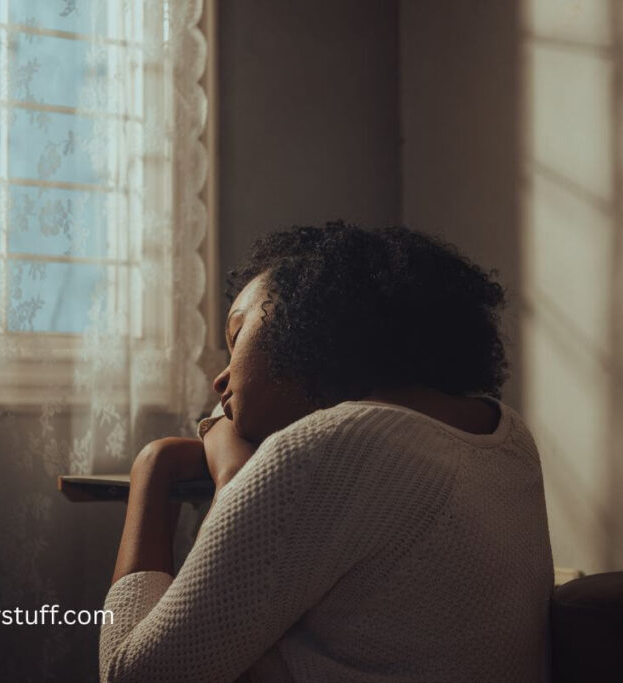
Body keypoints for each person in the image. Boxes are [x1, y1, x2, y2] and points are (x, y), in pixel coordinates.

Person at [100, 221, 554, 682]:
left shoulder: (326, 451)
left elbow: (132, 676)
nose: (220, 379)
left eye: (237, 338)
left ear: (304, 325)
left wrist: (154, 467)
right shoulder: (507, 435)